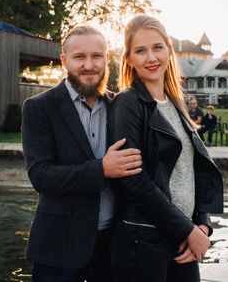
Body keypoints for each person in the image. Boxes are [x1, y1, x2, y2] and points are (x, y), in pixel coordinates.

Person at [21, 25, 143, 282]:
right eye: (80, 57)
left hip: (113, 248)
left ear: (106, 57)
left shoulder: (120, 107)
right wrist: (102, 169)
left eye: (97, 56)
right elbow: (41, 176)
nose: (89, 65)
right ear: (65, 61)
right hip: (58, 249)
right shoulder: (39, 108)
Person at [107, 15, 224, 282]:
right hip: (143, 240)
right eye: (140, 50)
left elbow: (191, 169)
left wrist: (202, 223)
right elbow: (133, 181)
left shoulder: (175, 103)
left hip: (182, 237)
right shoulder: (127, 104)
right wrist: (187, 230)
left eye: (157, 47)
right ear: (129, 59)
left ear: (169, 52)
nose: (151, 57)